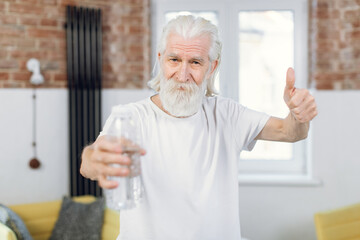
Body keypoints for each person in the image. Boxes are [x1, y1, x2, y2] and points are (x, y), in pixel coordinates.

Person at [80, 15, 317, 240]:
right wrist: (96, 158)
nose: (182, 75)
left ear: (211, 67)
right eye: (174, 60)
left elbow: (290, 132)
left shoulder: (227, 115)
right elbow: (89, 164)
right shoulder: (132, 116)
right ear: (161, 58)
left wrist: (299, 115)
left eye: (195, 62)